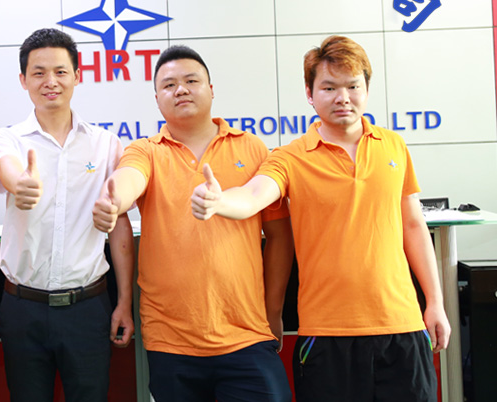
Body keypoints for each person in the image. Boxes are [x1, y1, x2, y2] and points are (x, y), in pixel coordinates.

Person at [191, 35, 451, 402]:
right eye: (329, 87)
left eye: (352, 86)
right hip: (327, 336)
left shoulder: (393, 145)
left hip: (402, 327)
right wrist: (219, 201)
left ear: (366, 89)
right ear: (310, 94)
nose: (342, 97)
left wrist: (435, 302)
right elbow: (253, 195)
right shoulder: (291, 157)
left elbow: (413, 225)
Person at [92, 45, 293, 402]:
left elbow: (279, 236)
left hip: (247, 333)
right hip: (171, 341)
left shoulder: (251, 148)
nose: (181, 89)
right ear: (157, 99)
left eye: (191, 81)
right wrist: (112, 201)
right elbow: (129, 178)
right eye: (169, 85)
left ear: (211, 89)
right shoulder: (146, 150)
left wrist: (273, 311)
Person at [0, 28, 134, 402]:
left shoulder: (105, 145)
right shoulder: (8, 139)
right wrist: (21, 184)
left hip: (88, 308)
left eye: (60, 71)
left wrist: (124, 302)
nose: (50, 82)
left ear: (77, 76)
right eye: (38, 73)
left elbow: (118, 226)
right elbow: (8, 168)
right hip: (23, 308)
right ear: (23, 80)